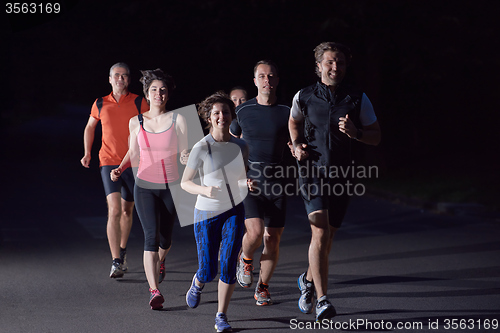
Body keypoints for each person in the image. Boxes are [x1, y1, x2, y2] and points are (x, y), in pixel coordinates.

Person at [289, 42, 381, 321]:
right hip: (312, 172)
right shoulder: (303, 96)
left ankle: (306, 279)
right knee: (319, 232)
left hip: (342, 175)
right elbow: (293, 122)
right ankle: (323, 300)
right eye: (329, 62)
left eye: (339, 61)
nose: (335, 67)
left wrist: (356, 132)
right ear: (318, 66)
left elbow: (376, 136)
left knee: (328, 237)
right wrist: (296, 145)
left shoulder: (357, 98)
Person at [110, 69, 188, 309]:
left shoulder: (179, 119)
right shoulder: (137, 121)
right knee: (151, 237)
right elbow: (133, 152)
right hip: (144, 185)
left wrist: (187, 157)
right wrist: (120, 169)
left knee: (166, 239)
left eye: (163, 90)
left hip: (170, 186)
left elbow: (185, 153)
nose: (158, 93)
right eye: (154, 89)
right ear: (147, 93)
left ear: (168, 94)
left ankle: (160, 261)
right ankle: (154, 291)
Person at [181, 91, 248, 332]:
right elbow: (185, 182)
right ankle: (198, 282)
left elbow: (241, 177)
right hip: (206, 213)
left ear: (232, 116)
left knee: (229, 264)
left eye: (226, 112)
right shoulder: (201, 147)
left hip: (234, 211)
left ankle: (221, 316)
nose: (222, 117)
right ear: (209, 118)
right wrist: (204, 189)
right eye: (216, 113)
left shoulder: (241, 146)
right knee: (209, 270)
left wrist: (247, 183)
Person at [230, 60, 290, 306]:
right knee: (254, 233)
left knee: (272, 238)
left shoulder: (288, 111)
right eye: (262, 76)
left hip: (278, 184)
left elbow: (297, 138)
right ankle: (245, 259)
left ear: (277, 80)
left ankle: (262, 287)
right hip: (251, 182)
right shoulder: (243, 111)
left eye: (272, 76)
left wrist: (297, 147)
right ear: (255, 81)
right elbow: (230, 143)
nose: (267, 80)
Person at [81, 62, 149, 278]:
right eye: (116, 76)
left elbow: (153, 127)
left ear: (129, 79)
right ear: (109, 79)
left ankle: (122, 249)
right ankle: (116, 261)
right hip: (108, 161)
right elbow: (90, 127)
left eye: (125, 76)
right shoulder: (100, 103)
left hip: (134, 162)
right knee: (114, 209)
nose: (120, 79)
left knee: (128, 210)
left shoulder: (139, 102)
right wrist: (87, 152)